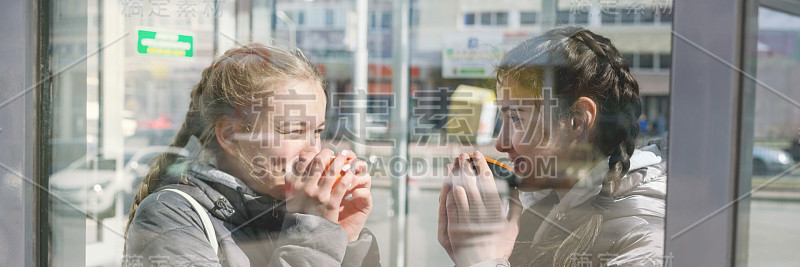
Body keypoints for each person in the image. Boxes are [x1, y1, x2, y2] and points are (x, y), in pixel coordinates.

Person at [124, 44, 380, 266]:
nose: (313, 150)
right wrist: (313, 232)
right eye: (293, 131)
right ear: (230, 136)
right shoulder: (168, 218)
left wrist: (343, 237)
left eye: (318, 130)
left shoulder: (287, 208)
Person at [438, 27, 666, 267]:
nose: (501, 144)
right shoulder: (543, 209)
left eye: (516, 119)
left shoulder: (646, 235)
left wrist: (484, 261)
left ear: (577, 120)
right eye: (502, 120)